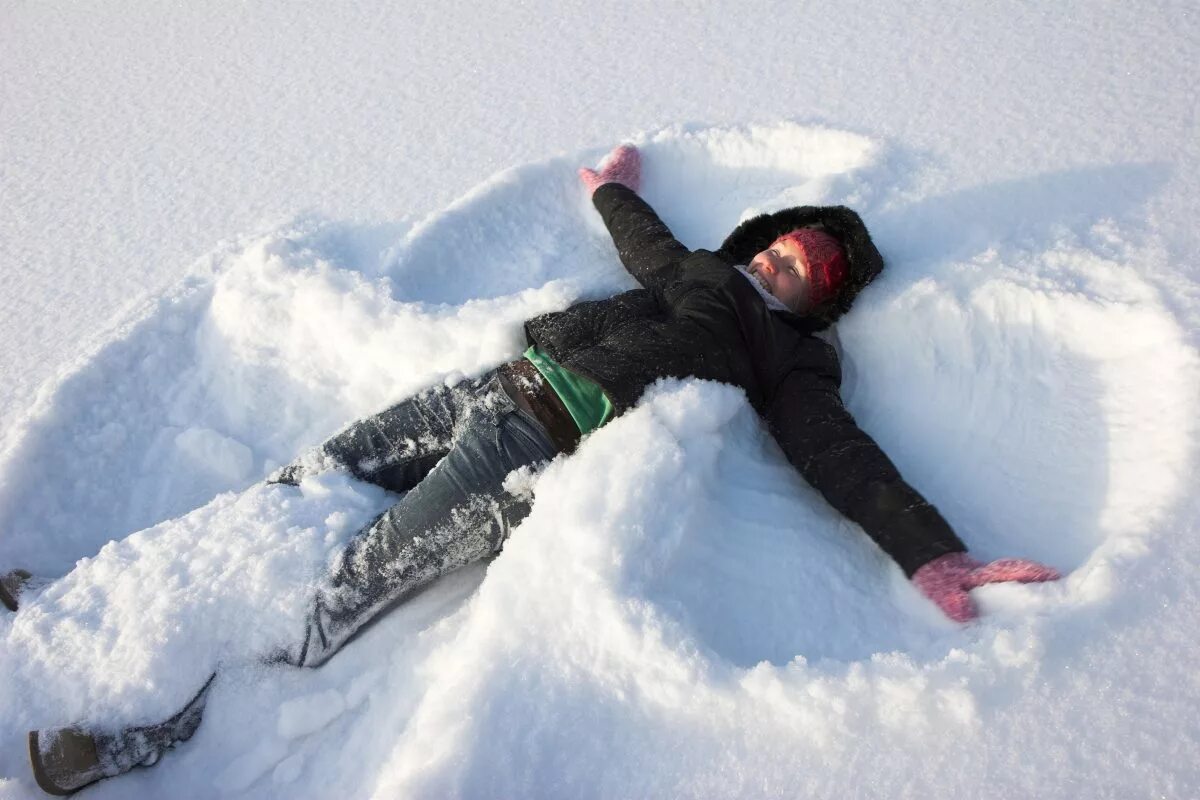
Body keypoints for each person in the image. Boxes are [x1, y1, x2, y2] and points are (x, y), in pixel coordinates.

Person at [3, 143, 1059, 795]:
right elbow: (649, 244)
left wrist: (930, 551)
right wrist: (610, 190)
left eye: (811, 268)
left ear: (823, 299)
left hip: (536, 446)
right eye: (788, 243)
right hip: (495, 387)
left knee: (345, 590)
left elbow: (843, 456)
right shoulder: (703, 271)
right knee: (299, 483)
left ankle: (132, 731)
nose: (787, 261)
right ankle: (86, 599)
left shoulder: (789, 360)